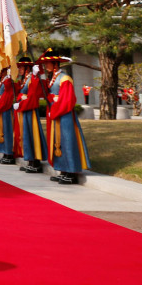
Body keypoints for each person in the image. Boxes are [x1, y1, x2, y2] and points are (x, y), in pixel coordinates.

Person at [38, 48, 91, 185]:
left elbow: (67, 100)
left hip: (64, 115)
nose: (46, 66)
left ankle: (71, 172)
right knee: (58, 142)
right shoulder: (53, 78)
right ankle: (62, 169)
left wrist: (54, 110)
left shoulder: (65, 78)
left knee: (67, 142)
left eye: (48, 64)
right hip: (56, 114)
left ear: (55, 64)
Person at [13, 57, 48, 173]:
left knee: (32, 134)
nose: (20, 69)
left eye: (22, 67)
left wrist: (34, 75)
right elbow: (22, 93)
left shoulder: (32, 78)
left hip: (30, 109)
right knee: (26, 135)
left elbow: (32, 94)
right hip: (24, 109)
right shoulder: (25, 79)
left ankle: (35, 162)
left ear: (28, 67)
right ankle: (29, 160)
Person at [0, 67, 15, 164]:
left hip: (5, 109)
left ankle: (9, 153)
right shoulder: (2, 80)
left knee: (7, 131)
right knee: (1, 131)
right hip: (0, 108)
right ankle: (3, 152)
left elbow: (7, 95)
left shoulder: (7, 80)